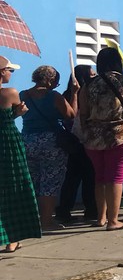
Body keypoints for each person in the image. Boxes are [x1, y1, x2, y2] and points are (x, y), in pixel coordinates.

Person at [78, 47, 123, 230]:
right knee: (115, 178)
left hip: (93, 137)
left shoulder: (88, 84)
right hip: (119, 134)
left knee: (99, 177)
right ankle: (113, 220)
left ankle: (101, 217)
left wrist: (87, 131)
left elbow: (83, 112)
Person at [19, 65, 78, 230]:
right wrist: (74, 93)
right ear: (50, 80)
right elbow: (71, 115)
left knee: (33, 182)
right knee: (50, 183)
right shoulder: (53, 96)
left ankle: (32, 220)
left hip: (28, 140)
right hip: (51, 142)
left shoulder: (23, 94)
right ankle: (46, 222)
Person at [0, 55, 42, 252]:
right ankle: (13, 238)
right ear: (2, 72)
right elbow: (8, 118)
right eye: (10, 70)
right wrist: (18, 114)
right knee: (15, 185)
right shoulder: (10, 93)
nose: (11, 73)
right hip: (8, 142)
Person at [56, 64, 98, 224]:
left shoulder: (66, 94)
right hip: (81, 139)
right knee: (87, 177)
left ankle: (65, 210)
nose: (94, 77)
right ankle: (90, 209)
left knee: (73, 178)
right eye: (92, 75)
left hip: (73, 141)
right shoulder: (80, 94)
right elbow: (72, 116)